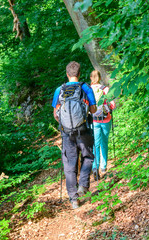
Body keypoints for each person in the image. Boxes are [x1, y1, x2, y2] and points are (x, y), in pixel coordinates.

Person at [52, 61, 97, 209]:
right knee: (88, 157)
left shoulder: (59, 90)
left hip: (67, 134)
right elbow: (94, 109)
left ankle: (73, 199)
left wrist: (66, 123)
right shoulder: (85, 88)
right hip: (83, 130)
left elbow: (55, 115)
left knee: (70, 164)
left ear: (67, 74)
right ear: (79, 73)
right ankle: (83, 185)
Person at [90, 70, 116, 180]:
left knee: (95, 144)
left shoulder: (89, 90)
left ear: (91, 78)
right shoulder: (105, 89)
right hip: (106, 119)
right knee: (104, 142)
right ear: (100, 78)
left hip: (94, 120)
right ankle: (104, 167)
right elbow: (112, 105)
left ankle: (95, 167)